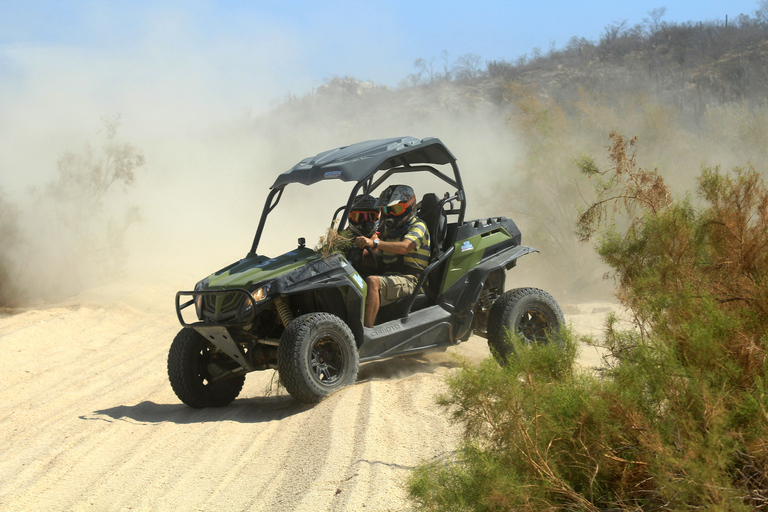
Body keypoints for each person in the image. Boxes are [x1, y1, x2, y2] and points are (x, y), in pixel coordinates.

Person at [355, 185, 430, 328]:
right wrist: (355, 259)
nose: (390, 215)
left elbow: (405, 247)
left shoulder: (418, 226)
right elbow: (379, 260)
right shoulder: (390, 232)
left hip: (412, 280)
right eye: (386, 210)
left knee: (373, 282)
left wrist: (374, 243)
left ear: (409, 207)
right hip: (391, 276)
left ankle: (366, 334)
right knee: (356, 277)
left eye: (395, 210)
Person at [343, 194, 381, 275]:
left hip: (368, 278)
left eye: (370, 217)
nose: (364, 221)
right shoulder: (343, 236)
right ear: (350, 217)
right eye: (359, 217)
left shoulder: (379, 239)